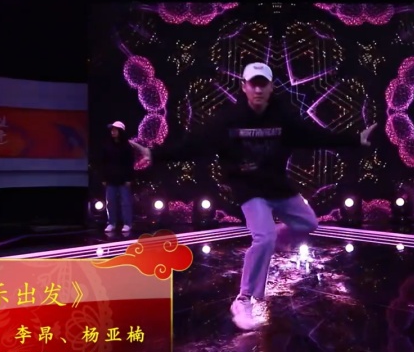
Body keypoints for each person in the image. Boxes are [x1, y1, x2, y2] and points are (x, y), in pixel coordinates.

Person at [129, 63, 377, 330]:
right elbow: (195, 144)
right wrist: (155, 154)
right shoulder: (228, 120)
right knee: (264, 237)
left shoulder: (282, 117)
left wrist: (355, 140)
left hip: (276, 185)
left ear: (271, 88)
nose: (258, 90)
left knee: (308, 223)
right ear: (244, 87)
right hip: (248, 188)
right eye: (253, 84)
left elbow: (315, 136)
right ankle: (244, 298)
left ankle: (271, 241)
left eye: (263, 84)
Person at [99, 121, 135, 234]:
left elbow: (130, 164)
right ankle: (111, 223)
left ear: (121, 131)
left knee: (125, 202)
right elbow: (103, 162)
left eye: (115, 130)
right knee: (110, 202)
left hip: (123, 179)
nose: (112, 132)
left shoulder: (127, 147)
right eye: (112, 130)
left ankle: (127, 223)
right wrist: (104, 177)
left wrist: (129, 178)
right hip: (111, 178)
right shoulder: (107, 145)